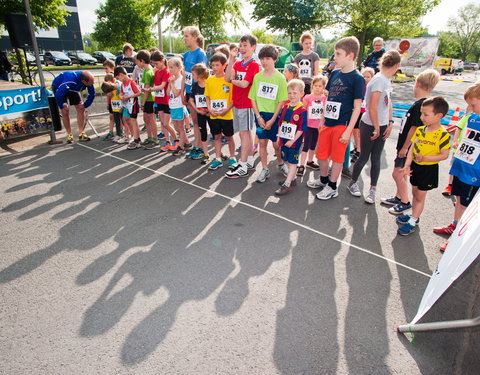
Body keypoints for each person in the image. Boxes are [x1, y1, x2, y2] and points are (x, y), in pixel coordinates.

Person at [307, 36, 365, 200]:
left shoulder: (357, 78)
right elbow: (329, 98)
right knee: (321, 155)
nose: (335, 57)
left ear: (350, 56)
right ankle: (324, 180)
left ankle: (332, 186)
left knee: (337, 158)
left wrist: (348, 130)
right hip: (328, 122)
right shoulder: (335, 73)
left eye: (338, 54)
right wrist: (322, 119)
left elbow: (357, 108)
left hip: (343, 124)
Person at [381, 69, 440, 214]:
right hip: (406, 146)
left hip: (407, 148)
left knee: (398, 174)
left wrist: (405, 148)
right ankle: (399, 196)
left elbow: (414, 129)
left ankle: (405, 201)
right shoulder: (420, 104)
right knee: (401, 174)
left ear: (417, 84)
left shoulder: (420, 105)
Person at [347, 50, 401, 203]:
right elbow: (372, 107)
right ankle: (353, 182)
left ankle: (372, 189)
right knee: (364, 156)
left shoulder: (386, 80)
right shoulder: (378, 80)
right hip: (370, 124)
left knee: (376, 159)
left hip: (382, 124)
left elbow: (388, 102)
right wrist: (377, 127)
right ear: (396, 65)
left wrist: (390, 122)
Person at [433, 82, 480, 251]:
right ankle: (455, 224)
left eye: (473, 104)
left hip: (474, 173)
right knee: (459, 200)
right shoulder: (472, 117)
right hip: (462, 166)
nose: (471, 108)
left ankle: (458, 237)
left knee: (467, 206)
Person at [396, 96, 451, 236]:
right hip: (415, 167)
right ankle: (414, 215)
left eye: (426, 114)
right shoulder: (420, 130)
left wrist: (426, 158)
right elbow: (412, 149)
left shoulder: (443, 134)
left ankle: (413, 221)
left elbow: (444, 155)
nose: (422, 117)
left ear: (439, 116)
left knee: (420, 196)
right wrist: (407, 165)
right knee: (414, 193)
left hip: (428, 169)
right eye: (421, 113)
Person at [248, 44, 289, 183]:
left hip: (274, 116)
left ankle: (281, 163)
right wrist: (258, 116)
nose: (264, 61)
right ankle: (264, 169)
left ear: (274, 59)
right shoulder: (258, 77)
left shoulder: (280, 78)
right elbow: (252, 98)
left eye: (267, 58)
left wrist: (272, 119)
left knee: (276, 144)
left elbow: (281, 101)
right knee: (262, 143)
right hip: (260, 116)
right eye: (262, 59)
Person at [225, 34, 261, 179]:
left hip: (246, 104)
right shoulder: (238, 63)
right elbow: (227, 78)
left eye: (246, 45)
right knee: (243, 133)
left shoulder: (254, 65)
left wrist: (233, 80)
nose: (242, 48)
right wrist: (230, 61)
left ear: (253, 47)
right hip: (237, 103)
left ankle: (243, 164)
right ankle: (249, 159)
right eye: (241, 45)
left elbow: (245, 84)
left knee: (244, 133)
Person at [275, 79, 308, 195]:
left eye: (295, 93)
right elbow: (281, 123)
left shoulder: (302, 111)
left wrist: (293, 140)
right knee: (287, 161)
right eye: (289, 93)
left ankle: (287, 184)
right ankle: (292, 178)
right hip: (284, 139)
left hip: (294, 142)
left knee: (293, 162)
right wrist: (279, 137)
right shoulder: (285, 107)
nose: (292, 95)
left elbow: (301, 129)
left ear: (301, 94)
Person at [204, 53, 236, 170]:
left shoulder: (228, 80)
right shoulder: (209, 80)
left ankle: (232, 157)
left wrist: (227, 109)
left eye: (217, 65)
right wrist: (209, 109)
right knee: (216, 137)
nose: (215, 67)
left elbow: (233, 99)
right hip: (214, 115)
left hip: (226, 115)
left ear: (224, 65)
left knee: (229, 137)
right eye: (213, 65)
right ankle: (217, 158)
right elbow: (207, 96)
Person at [183, 26, 208, 159]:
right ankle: (197, 146)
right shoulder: (186, 55)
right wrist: (183, 92)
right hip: (189, 91)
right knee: (194, 120)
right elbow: (185, 75)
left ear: (194, 37)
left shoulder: (200, 54)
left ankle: (199, 147)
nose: (184, 39)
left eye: (186, 36)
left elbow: (201, 74)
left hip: (198, 92)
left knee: (199, 120)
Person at [51, 70, 96, 143]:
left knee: (80, 108)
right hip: (59, 87)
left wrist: (85, 105)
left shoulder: (89, 80)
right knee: (65, 110)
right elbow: (58, 95)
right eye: (91, 83)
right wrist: (61, 106)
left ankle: (81, 133)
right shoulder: (70, 80)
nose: (92, 84)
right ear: (84, 82)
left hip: (73, 89)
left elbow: (92, 94)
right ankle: (69, 134)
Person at [297, 75, 327, 176]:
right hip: (309, 125)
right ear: (312, 86)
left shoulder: (325, 99)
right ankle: (301, 165)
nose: (317, 88)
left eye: (320, 86)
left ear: (323, 87)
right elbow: (303, 110)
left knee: (313, 145)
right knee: (306, 146)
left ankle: (310, 161)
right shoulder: (308, 97)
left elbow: (325, 112)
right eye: (315, 85)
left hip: (319, 126)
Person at [149, 51, 177, 152]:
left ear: (162, 61)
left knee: (166, 123)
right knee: (162, 123)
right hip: (159, 100)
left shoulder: (166, 71)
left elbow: (162, 86)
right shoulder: (156, 72)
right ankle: (168, 141)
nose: (155, 66)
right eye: (153, 64)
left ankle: (176, 140)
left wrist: (150, 89)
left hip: (166, 101)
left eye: (156, 63)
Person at [350, 67, 375, 163]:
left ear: (372, 77)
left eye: (368, 77)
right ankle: (357, 148)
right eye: (363, 76)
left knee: (359, 133)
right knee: (355, 132)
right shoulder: (359, 86)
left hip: (364, 113)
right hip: (356, 111)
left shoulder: (372, 89)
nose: (365, 78)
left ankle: (359, 151)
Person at [115, 66, 142, 150]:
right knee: (130, 120)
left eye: (118, 77)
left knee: (133, 121)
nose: (118, 80)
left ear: (121, 74)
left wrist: (129, 96)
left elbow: (138, 92)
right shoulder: (123, 84)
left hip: (133, 104)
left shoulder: (131, 82)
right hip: (128, 105)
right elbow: (121, 93)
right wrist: (121, 96)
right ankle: (136, 138)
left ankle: (137, 140)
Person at [189, 63, 211, 163]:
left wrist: (210, 110)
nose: (192, 77)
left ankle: (218, 154)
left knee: (216, 133)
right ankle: (206, 153)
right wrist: (197, 110)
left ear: (200, 75)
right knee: (203, 132)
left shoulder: (210, 84)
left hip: (211, 113)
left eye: (193, 74)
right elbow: (191, 100)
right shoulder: (195, 86)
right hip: (200, 113)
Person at [136, 50, 158, 149]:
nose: (137, 64)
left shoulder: (148, 71)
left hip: (149, 99)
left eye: (138, 61)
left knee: (151, 119)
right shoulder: (146, 70)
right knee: (146, 119)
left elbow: (147, 89)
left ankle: (155, 138)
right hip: (146, 99)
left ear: (142, 60)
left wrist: (143, 103)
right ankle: (149, 137)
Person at [167, 57, 189, 155]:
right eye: (169, 67)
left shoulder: (181, 79)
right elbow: (168, 93)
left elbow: (177, 93)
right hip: (173, 105)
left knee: (180, 127)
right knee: (176, 127)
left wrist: (172, 83)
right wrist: (169, 83)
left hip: (179, 105)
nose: (170, 70)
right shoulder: (172, 79)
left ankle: (181, 146)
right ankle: (187, 142)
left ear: (179, 67)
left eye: (172, 67)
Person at [100, 74, 123, 141]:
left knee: (124, 121)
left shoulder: (118, 86)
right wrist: (108, 103)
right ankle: (119, 134)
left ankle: (127, 134)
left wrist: (122, 106)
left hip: (121, 106)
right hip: (114, 106)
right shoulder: (110, 88)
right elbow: (109, 95)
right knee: (117, 120)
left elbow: (122, 96)